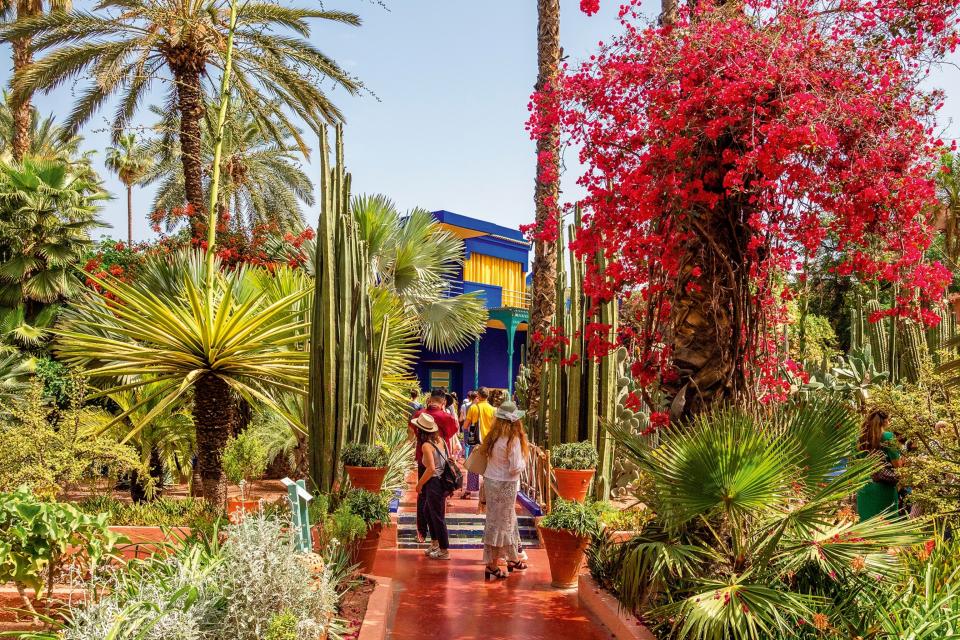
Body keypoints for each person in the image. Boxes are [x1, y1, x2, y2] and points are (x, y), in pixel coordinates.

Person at [476, 400, 528, 579]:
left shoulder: (493, 437)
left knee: (499, 521)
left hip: (491, 481)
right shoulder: (513, 440)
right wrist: (524, 462)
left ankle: (511, 558)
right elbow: (515, 467)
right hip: (507, 484)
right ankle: (492, 565)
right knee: (502, 524)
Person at [409, 390, 460, 541]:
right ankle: (437, 536)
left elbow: (412, 431)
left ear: (430, 399)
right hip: (440, 462)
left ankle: (421, 532)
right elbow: (450, 434)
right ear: (443, 402)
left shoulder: (419, 414)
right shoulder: (446, 417)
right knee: (438, 497)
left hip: (422, 458)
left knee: (422, 494)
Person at [414, 412, 451, 560]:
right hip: (441, 482)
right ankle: (435, 543)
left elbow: (431, 468)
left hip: (434, 482)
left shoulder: (426, 445)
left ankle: (444, 549)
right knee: (428, 511)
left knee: (437, 515)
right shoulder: (441, 440)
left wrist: (419, 484)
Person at [856, 409, 903, 521]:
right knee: (886, 524)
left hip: (863, 487)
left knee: (866, 526)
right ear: (885, 421)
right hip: (884, 487)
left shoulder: (858, 439)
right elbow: (897, 465)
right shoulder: (887, 437)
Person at [463, 387, 496, 499]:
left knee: (473, 466)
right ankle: (488, 490)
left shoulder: (473, 408)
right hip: (489, 442)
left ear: (479, 395)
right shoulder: (493, 409)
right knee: (489, 467)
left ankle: (470, 490)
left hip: (475, 441)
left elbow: (465, 426)